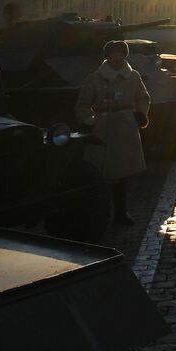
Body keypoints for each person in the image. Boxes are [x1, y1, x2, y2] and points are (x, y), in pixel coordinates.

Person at [75, 39, 150, 226]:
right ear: (107, 56)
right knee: (100, 172)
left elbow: (143, 97)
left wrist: (140, 114)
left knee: (122, 174)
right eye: (112, 54)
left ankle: (121, 212)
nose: (116, 58)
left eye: (120, 54)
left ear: (124, 55)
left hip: (125, 127)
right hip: (103, 127)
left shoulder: (133, 76)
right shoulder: (95, 78)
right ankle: (100, 210)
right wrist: (88, 121)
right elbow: (83, 104)